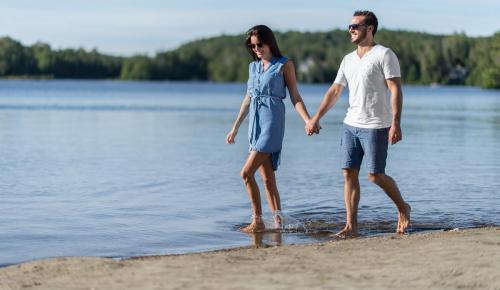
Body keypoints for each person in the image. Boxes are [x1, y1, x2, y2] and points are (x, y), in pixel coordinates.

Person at [306, 10, 411, 237]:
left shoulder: (384, 54)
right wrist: (316, 118)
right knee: (348, 173)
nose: (350, 30)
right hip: (350, 124)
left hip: (376, 125)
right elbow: (335, 91)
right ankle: (351, 226)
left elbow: (395, 89)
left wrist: (396, 122)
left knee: (375, 175)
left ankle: (403, 207)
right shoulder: (348, 59)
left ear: (369, 28)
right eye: (350, 26)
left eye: (355, 26)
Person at [226, 25, 318, 233]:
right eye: (253, 46)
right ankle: (279, 223)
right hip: (255, 126)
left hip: (272, 124)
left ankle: (257, 220)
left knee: (245, 174)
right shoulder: (253, 67)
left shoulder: (284, 64)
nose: (257, 49)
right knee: (268, 180)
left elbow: (295, 96)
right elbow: (248, 99)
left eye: (260, 44)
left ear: (269, 42)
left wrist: (307, 120)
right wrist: (235, 128)